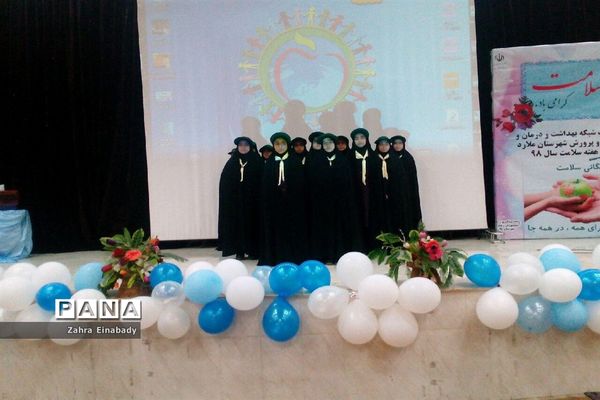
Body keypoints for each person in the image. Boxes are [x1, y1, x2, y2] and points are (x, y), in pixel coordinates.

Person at [306, 133, 362, 262]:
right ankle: (324, 254)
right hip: (322, 204)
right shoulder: (316, 161)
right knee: (323, 229)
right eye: (325, 143)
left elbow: (348, 183)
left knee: (340, 228)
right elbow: (312, 183)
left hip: (340, 204)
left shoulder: (343, 160)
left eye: (330, 142)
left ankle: (339, 254)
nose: (328, 145)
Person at [258, 132, 308, 265]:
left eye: (283, 144)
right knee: (276, 230)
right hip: (275, 205)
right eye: (277, 144)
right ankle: (275, 256)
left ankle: (294, 256)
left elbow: (301, 183)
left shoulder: (294, 161)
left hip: (292, 205)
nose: (280, 147)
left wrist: (289, 189)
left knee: (293, 229)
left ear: (288, 145)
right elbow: (266, 185)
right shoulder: (269, 163)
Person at [218, 137, 263, 259]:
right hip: (237, 203)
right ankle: (240, 251)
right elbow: (225, 182)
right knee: (238, 226)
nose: (243, 147)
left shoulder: (257, 161)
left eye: (246, 145)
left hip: (253, 202)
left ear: (250, 147)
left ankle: (253, 250)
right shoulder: (232, 162)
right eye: (241, 145)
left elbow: (262, 180)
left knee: (253, 225)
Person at [389, 134, 422, 235]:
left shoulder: (408, 158)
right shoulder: (389, 157)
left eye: (400, 143)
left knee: (408, 213)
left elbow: (412, 179)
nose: (397, 145)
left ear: (403, 144)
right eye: (395, 143)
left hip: (407, 194)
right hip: (393, 194)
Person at [350, 128, 374, 251]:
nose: (359, 141)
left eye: (362, 138)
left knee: (371, 216)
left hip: (371, 193)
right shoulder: (349, 157)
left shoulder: (373, 155)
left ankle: (372, 244)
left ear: (367, 139)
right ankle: (359, 246)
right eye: (356, 138)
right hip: (356, 194)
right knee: (358, 218)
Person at [368, 136, 393, 246]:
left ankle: (392, 243)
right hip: (376, 197)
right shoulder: (372, 159)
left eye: (386, 144)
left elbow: (399, 180)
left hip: (392, 198)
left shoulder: (395, 160)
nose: (383, 147)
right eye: (381, 145)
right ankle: (378, 244)